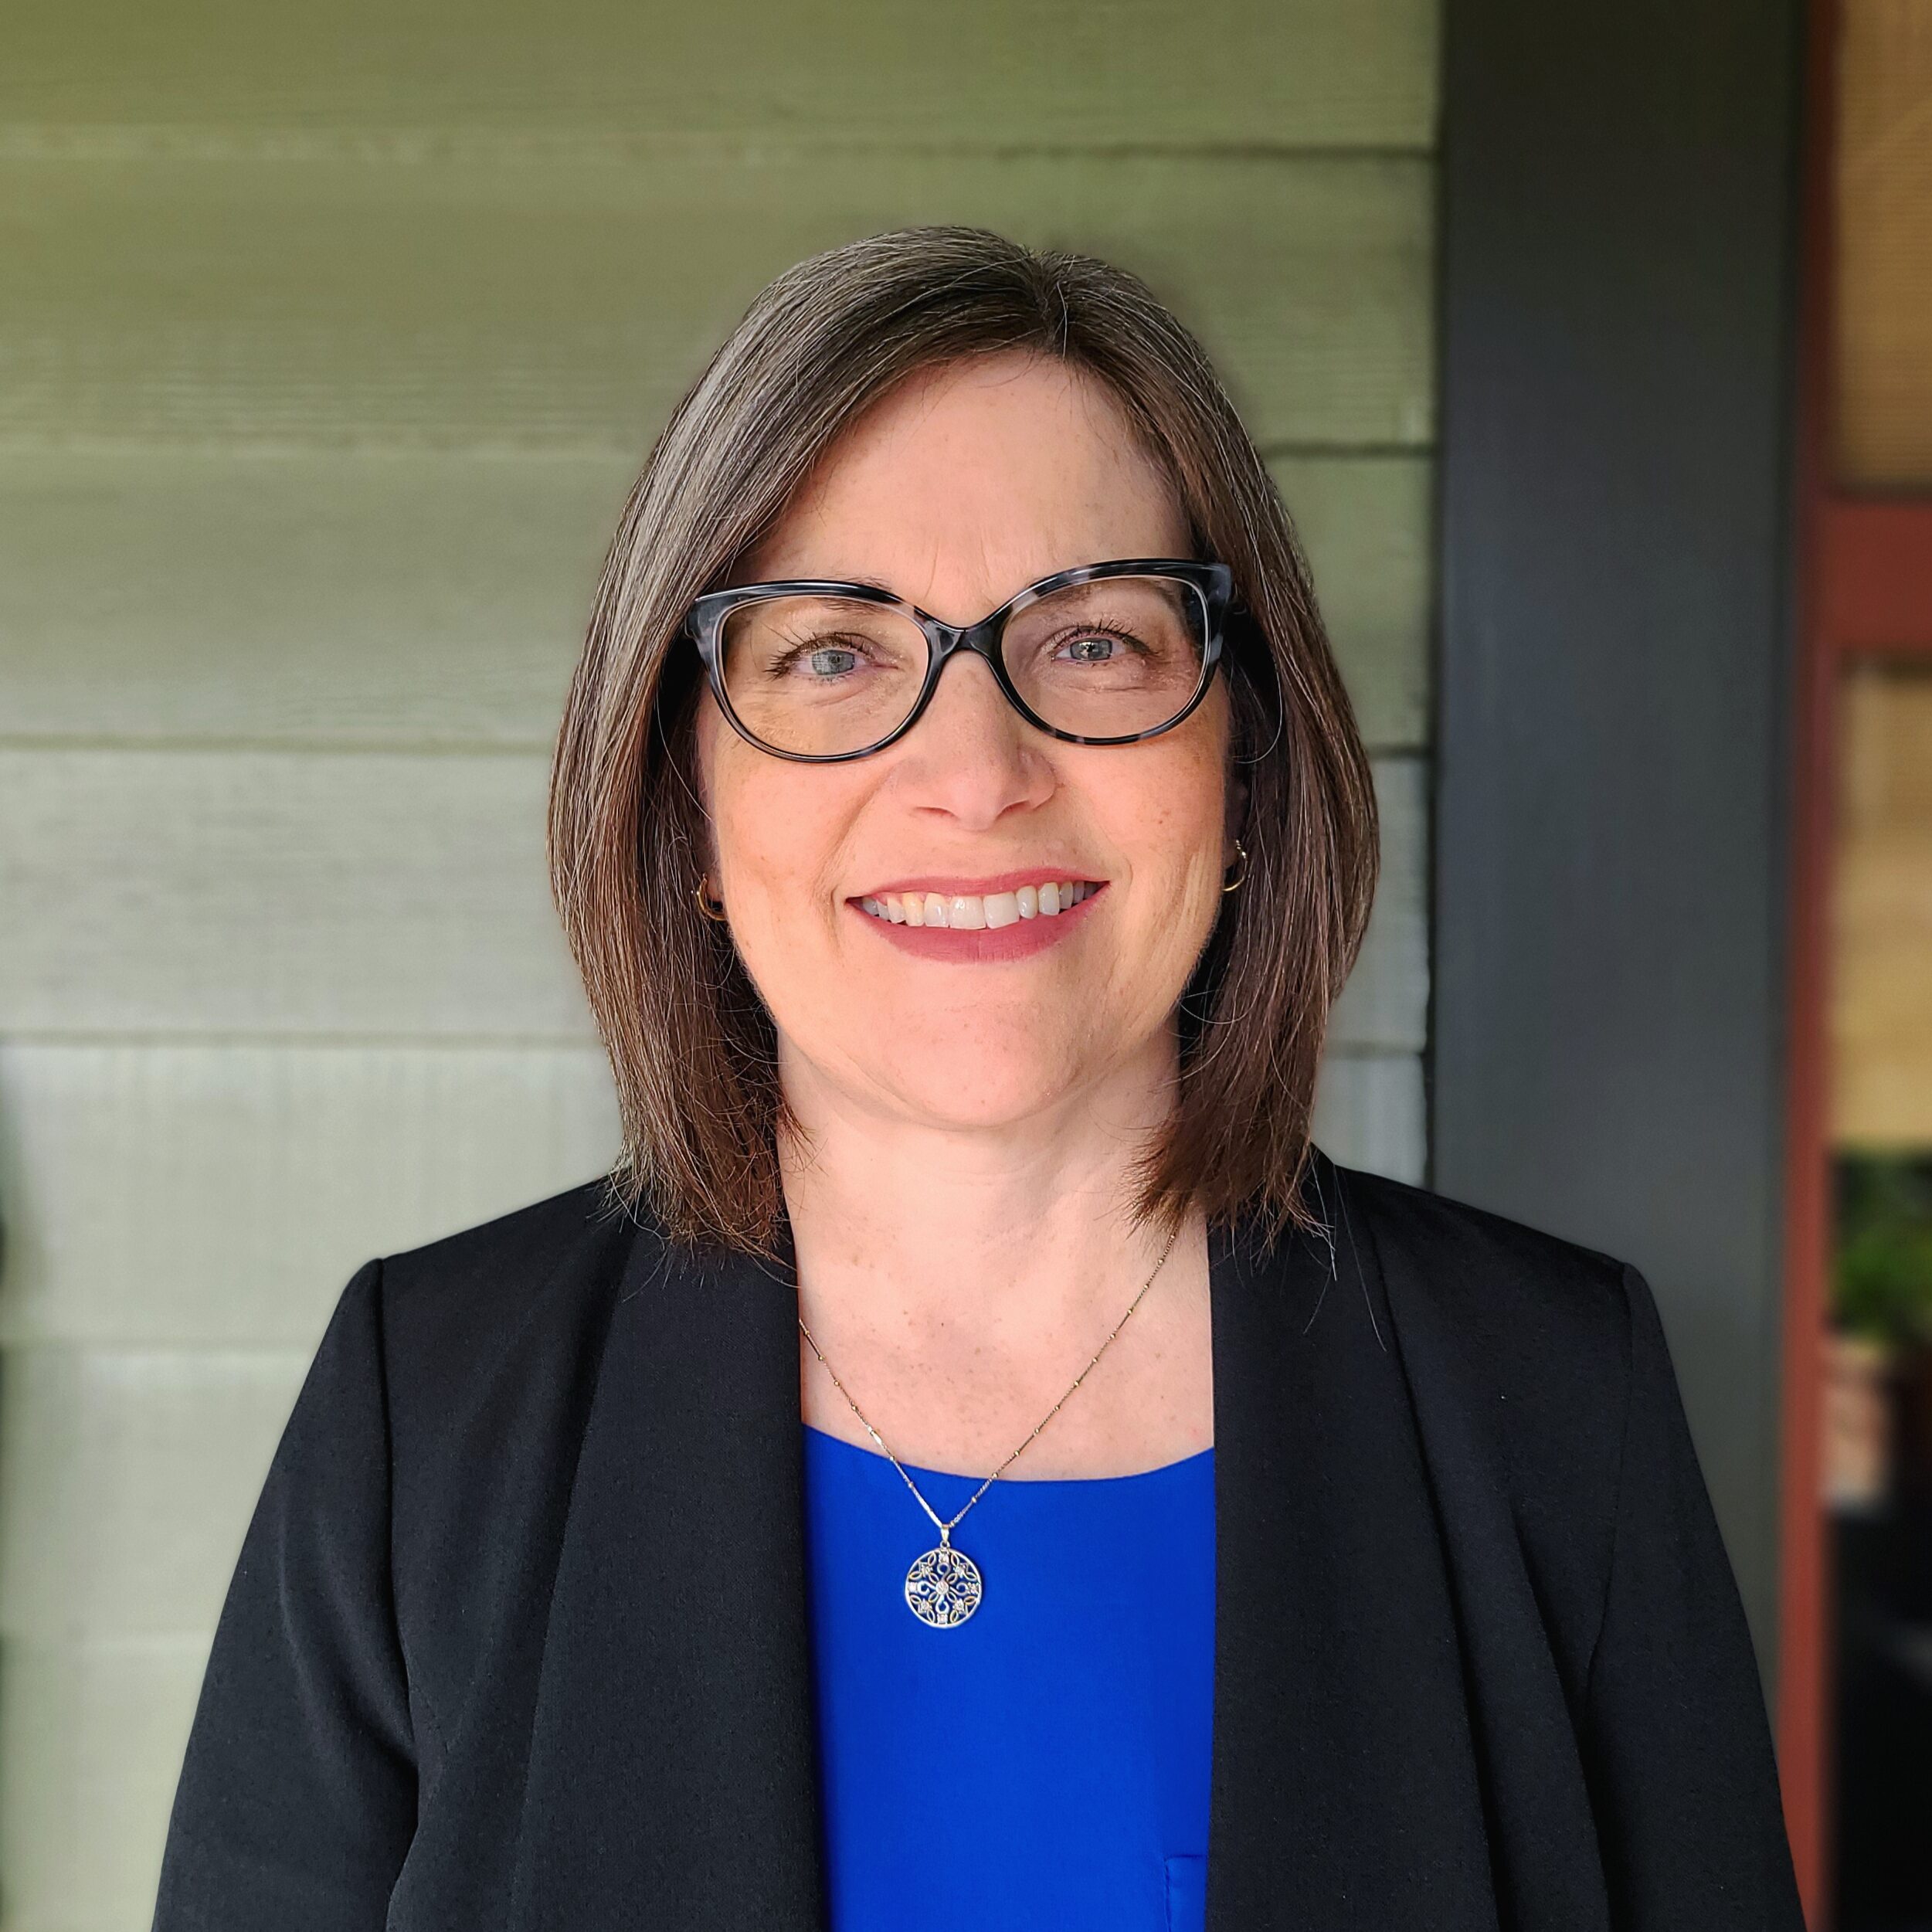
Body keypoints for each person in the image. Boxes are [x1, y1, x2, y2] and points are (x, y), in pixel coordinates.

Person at [151, 226, 1805, 1931]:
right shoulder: (424, 1413)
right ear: (686, 810)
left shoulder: (1553, 1399)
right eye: (831, 653)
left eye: (1092, 640)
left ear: (1243, 766)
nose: (974, 770)